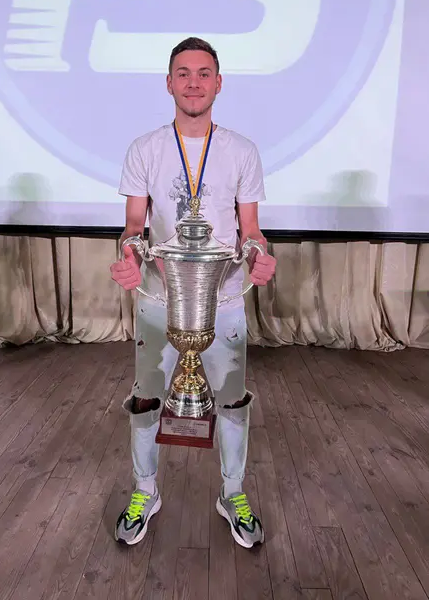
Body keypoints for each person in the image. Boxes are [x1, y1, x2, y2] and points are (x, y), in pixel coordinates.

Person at [110, 37, 276, 549]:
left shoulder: (242, 151)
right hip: (159, 299)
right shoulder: (145, 148)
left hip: (222, 301)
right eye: (183, 73)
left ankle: (232, 493)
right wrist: (129, 257)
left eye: (204, 73)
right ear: (169, 83)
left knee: (232, 401)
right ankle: (145, 492)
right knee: (146, 398)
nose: (194, 82)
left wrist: (259, 254)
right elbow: (133, 226)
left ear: (218, 83)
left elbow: (251, 229)